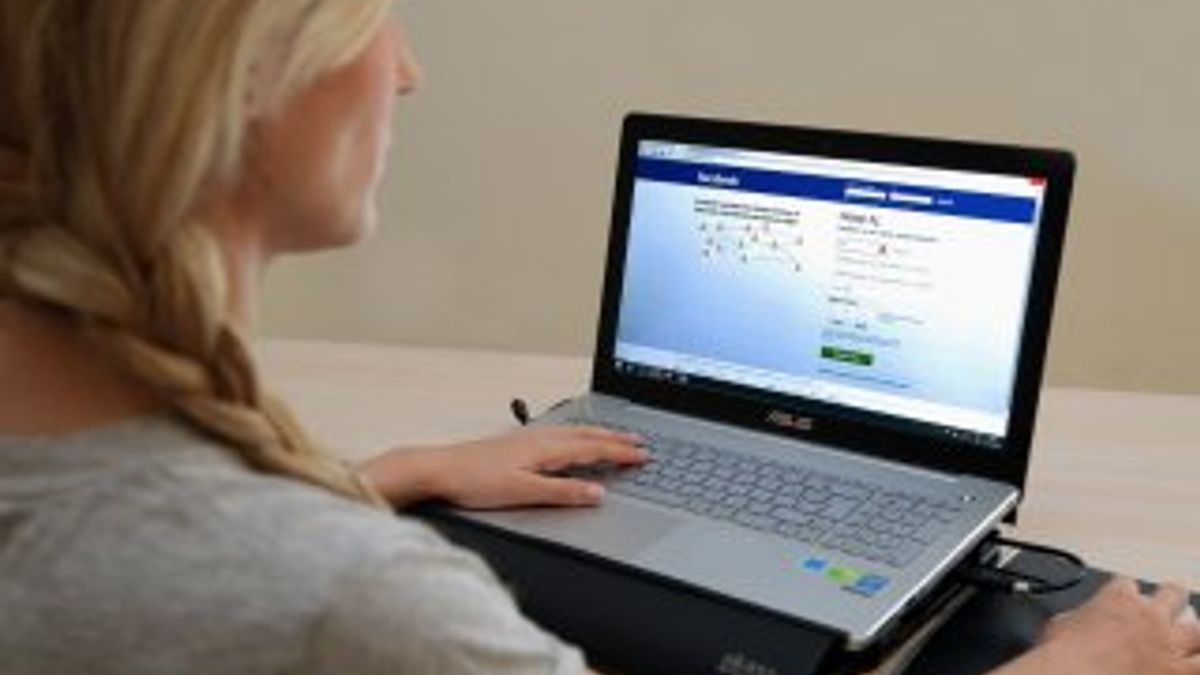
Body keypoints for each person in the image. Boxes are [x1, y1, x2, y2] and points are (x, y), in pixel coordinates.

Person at [0, 2, 1195, 674]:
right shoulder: (363, 603)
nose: (406, 72)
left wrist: (392, 474)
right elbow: (272, 584)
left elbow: (165, 564)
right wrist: (1071, 668)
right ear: (241, 81)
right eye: (369, 18)